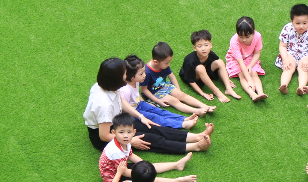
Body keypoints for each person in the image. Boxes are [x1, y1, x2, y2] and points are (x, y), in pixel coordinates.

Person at [84, 58, 212, 154]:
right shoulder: (104, 105)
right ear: (116, 78)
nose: (127, 75)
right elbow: (104, 136)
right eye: (124, 73)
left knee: (152, 126)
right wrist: (130, 140)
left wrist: (141, 117)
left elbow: (120, 101)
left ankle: (197, 136)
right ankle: (196, 146)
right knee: (150, 139)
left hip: (117, 121)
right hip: (106, 135)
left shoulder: (105, 85)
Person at [99, 114, 197, 182]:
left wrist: (145, 165)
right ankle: (179, 180)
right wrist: (145, 173)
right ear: (114, 133)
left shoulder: (125, 141)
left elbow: (130, 155)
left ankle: (177, 165)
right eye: (121, 132)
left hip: (120, 167)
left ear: (134, 132)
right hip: (115, 177)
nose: (125, 135)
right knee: (147, 178)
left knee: (147, 167)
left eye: (129, 132)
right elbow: (124, 172)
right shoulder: (115, 152)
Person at [121, 55, 199, 130]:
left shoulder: (136, 81)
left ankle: (183, 119)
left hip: (139, 104)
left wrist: (144, 103)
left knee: (158, 111)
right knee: (155, 117)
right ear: (132, 77)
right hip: (132, 112)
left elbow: (136, 94)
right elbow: (123, 109)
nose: (144, 75)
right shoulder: (126, 91)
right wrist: (139, 115)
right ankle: (182, 124)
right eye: (141, 74)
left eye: (144, 72)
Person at [142, 42, 216, 115]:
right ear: (156, 62)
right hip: (154, 93)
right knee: (174, 101)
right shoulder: (147, 72)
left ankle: (205, 106)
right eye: (166, 63)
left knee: (182, 95)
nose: (168, 64)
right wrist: (157, 101)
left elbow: (172, 77)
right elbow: (144, 90)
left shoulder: (163, 64)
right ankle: (197, 111)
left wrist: (178, 90)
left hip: (164, 86)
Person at [178, 30, 241, 103]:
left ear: (211, 45)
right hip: (194, 77)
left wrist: (226, 79)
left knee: (220, 62)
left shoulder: (211, 54)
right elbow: (190, 81)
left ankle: (229, 89)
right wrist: (203, 94)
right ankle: (217, 92)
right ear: (195, 48)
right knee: (200, 68)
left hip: (205, 72)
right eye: (199, 46)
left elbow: (219, 68)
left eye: (206, 45)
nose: (203, 48)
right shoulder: (190, 60)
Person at [275, 4, 308, 95]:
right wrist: (285, 58)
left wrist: (307, 59)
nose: (301, 26)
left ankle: (301, 87)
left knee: (303, 69)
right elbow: (282, 46)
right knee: (288, 67)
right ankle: (284, 85)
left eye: (304, 23)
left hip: (306, 54)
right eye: (297, 23)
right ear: (292, 21)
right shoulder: (287, 28)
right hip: (290, 53)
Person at [225, 17, 268, 101]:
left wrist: (250, 66)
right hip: (235, 59)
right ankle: (252, 94)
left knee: (254, 73)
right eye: (241, 36)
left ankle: (260, 93)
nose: (244, 40)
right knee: (242, 75)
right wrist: (249, 80)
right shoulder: (234, 41)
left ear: (253, 32)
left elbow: (257, 53)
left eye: (247, 37)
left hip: (249, 57)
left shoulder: (257, 36)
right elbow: (240, 63)